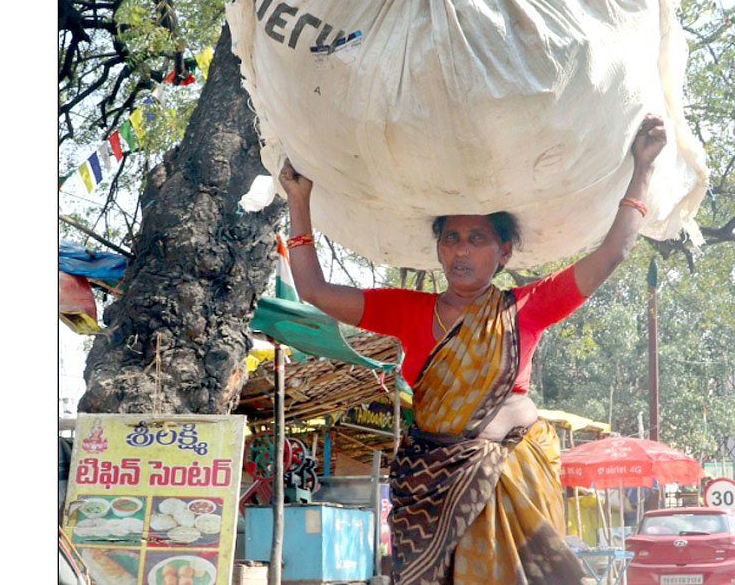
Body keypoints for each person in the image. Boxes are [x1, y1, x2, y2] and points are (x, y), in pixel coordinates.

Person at [278, 114, 668, 585]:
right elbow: (314, 290)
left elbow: (613, 252)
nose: (461, 251)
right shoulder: (407, 310)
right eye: (451, 239)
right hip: (432, 491)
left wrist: (642, 169)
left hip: (514, 480)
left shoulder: (527, 306)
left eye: (477, 239)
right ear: (439, 250)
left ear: (503, 253)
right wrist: (299, 201)